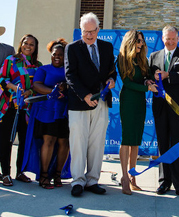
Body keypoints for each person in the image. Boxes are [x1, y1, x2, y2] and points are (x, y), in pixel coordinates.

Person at [65, 12, 117, 197]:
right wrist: (85, 95)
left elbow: (112, 70)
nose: (88, 35)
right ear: (81, 30)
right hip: (79, 103)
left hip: (101, 102)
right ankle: (77, 181)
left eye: (92, 31)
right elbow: (70, 75)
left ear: (98, 30)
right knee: (78, 142)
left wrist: (111, 79)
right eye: (85, 32)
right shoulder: (72, 48)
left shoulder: (107, 47)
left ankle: (92, 180)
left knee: (97, 143)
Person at [149, 25, 179, 200]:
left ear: (178, 39)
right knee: (163, 144)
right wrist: (150, 82)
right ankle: (164, 181)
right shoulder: (154, 56)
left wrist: (169, 75)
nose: (170, 41)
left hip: (178, 107)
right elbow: (149, 75)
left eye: (173, 39)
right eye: (167, 38)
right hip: (160, 107)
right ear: (162, 38)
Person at [117, 30, 157, 195]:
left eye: (142, 41)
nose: (141, 44)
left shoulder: (143, 59)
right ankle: (124, 177)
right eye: (138, 41)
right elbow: (127, 83)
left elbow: (146, 76)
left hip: (140, 101)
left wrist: (148, 80)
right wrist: (146, 87)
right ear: (130, 42)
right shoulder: (121, 59)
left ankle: (133, 176)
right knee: (127, 139)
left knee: (135, 141)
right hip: (128, 100)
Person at [0, 34, 42, 186]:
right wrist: (15, 88)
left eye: (32, 44)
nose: (28, 46)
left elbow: (36, 86)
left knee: (24, 141)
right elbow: (2, 79)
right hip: (10, 107)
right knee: (6, 141)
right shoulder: (10, 61)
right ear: (21, 44)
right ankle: (5, 173)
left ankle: (19, 172)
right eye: (26, 43)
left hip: (27, 109)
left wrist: (29, 91)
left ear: (35, 47)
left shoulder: (37, 65)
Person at [31, 38, 69, 189]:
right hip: (47, 111)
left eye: (61, 54)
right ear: (51, 54)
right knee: (49, 141)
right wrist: (53, 92)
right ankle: (44, 176)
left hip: (65, 111)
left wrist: (65, 86)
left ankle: (58, 175)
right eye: (55, 54)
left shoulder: (69, 70)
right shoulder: (44, 69)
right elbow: (36, 85)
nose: (57, 56)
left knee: (64, 142)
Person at [0, 26, 15, 180]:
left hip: (5, 100)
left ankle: (6, 173)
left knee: (5, 138)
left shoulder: (8, 51)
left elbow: (10, 74)